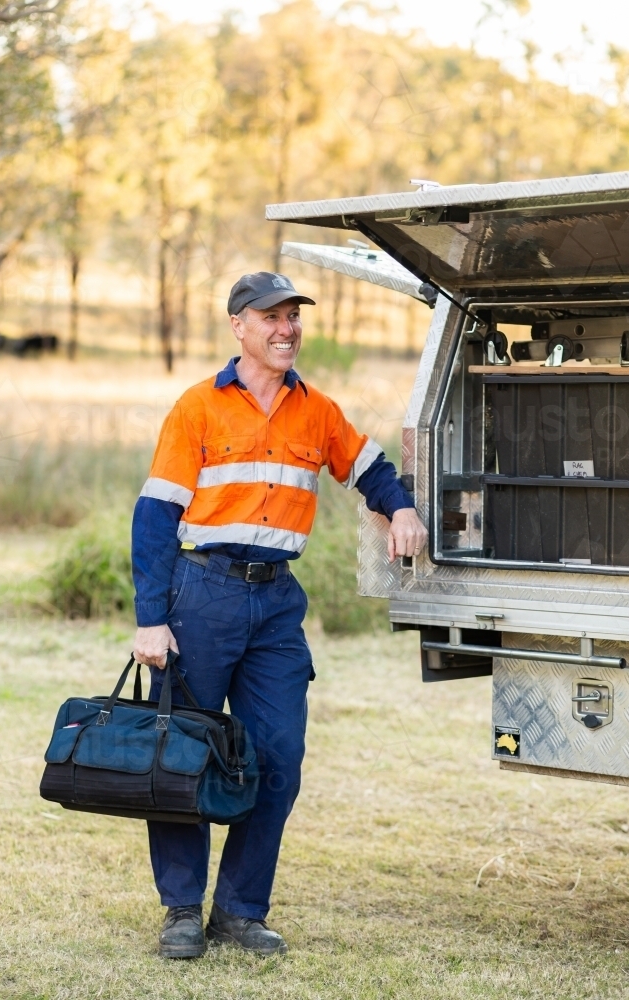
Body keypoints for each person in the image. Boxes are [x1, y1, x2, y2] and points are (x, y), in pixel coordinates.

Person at [132, 271, 428, 959]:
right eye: (270, 316)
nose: (286, 327)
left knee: (278, 756)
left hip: (275, 606)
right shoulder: (197, 408)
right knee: (182, 753)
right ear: (238, 325)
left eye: (293, 314)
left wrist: (402, 506)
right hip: (200, 592)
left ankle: (238, 910)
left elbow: (369, 468)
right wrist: (152, 617)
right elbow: (153, 517)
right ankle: (181, 909)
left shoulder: (316, 410)